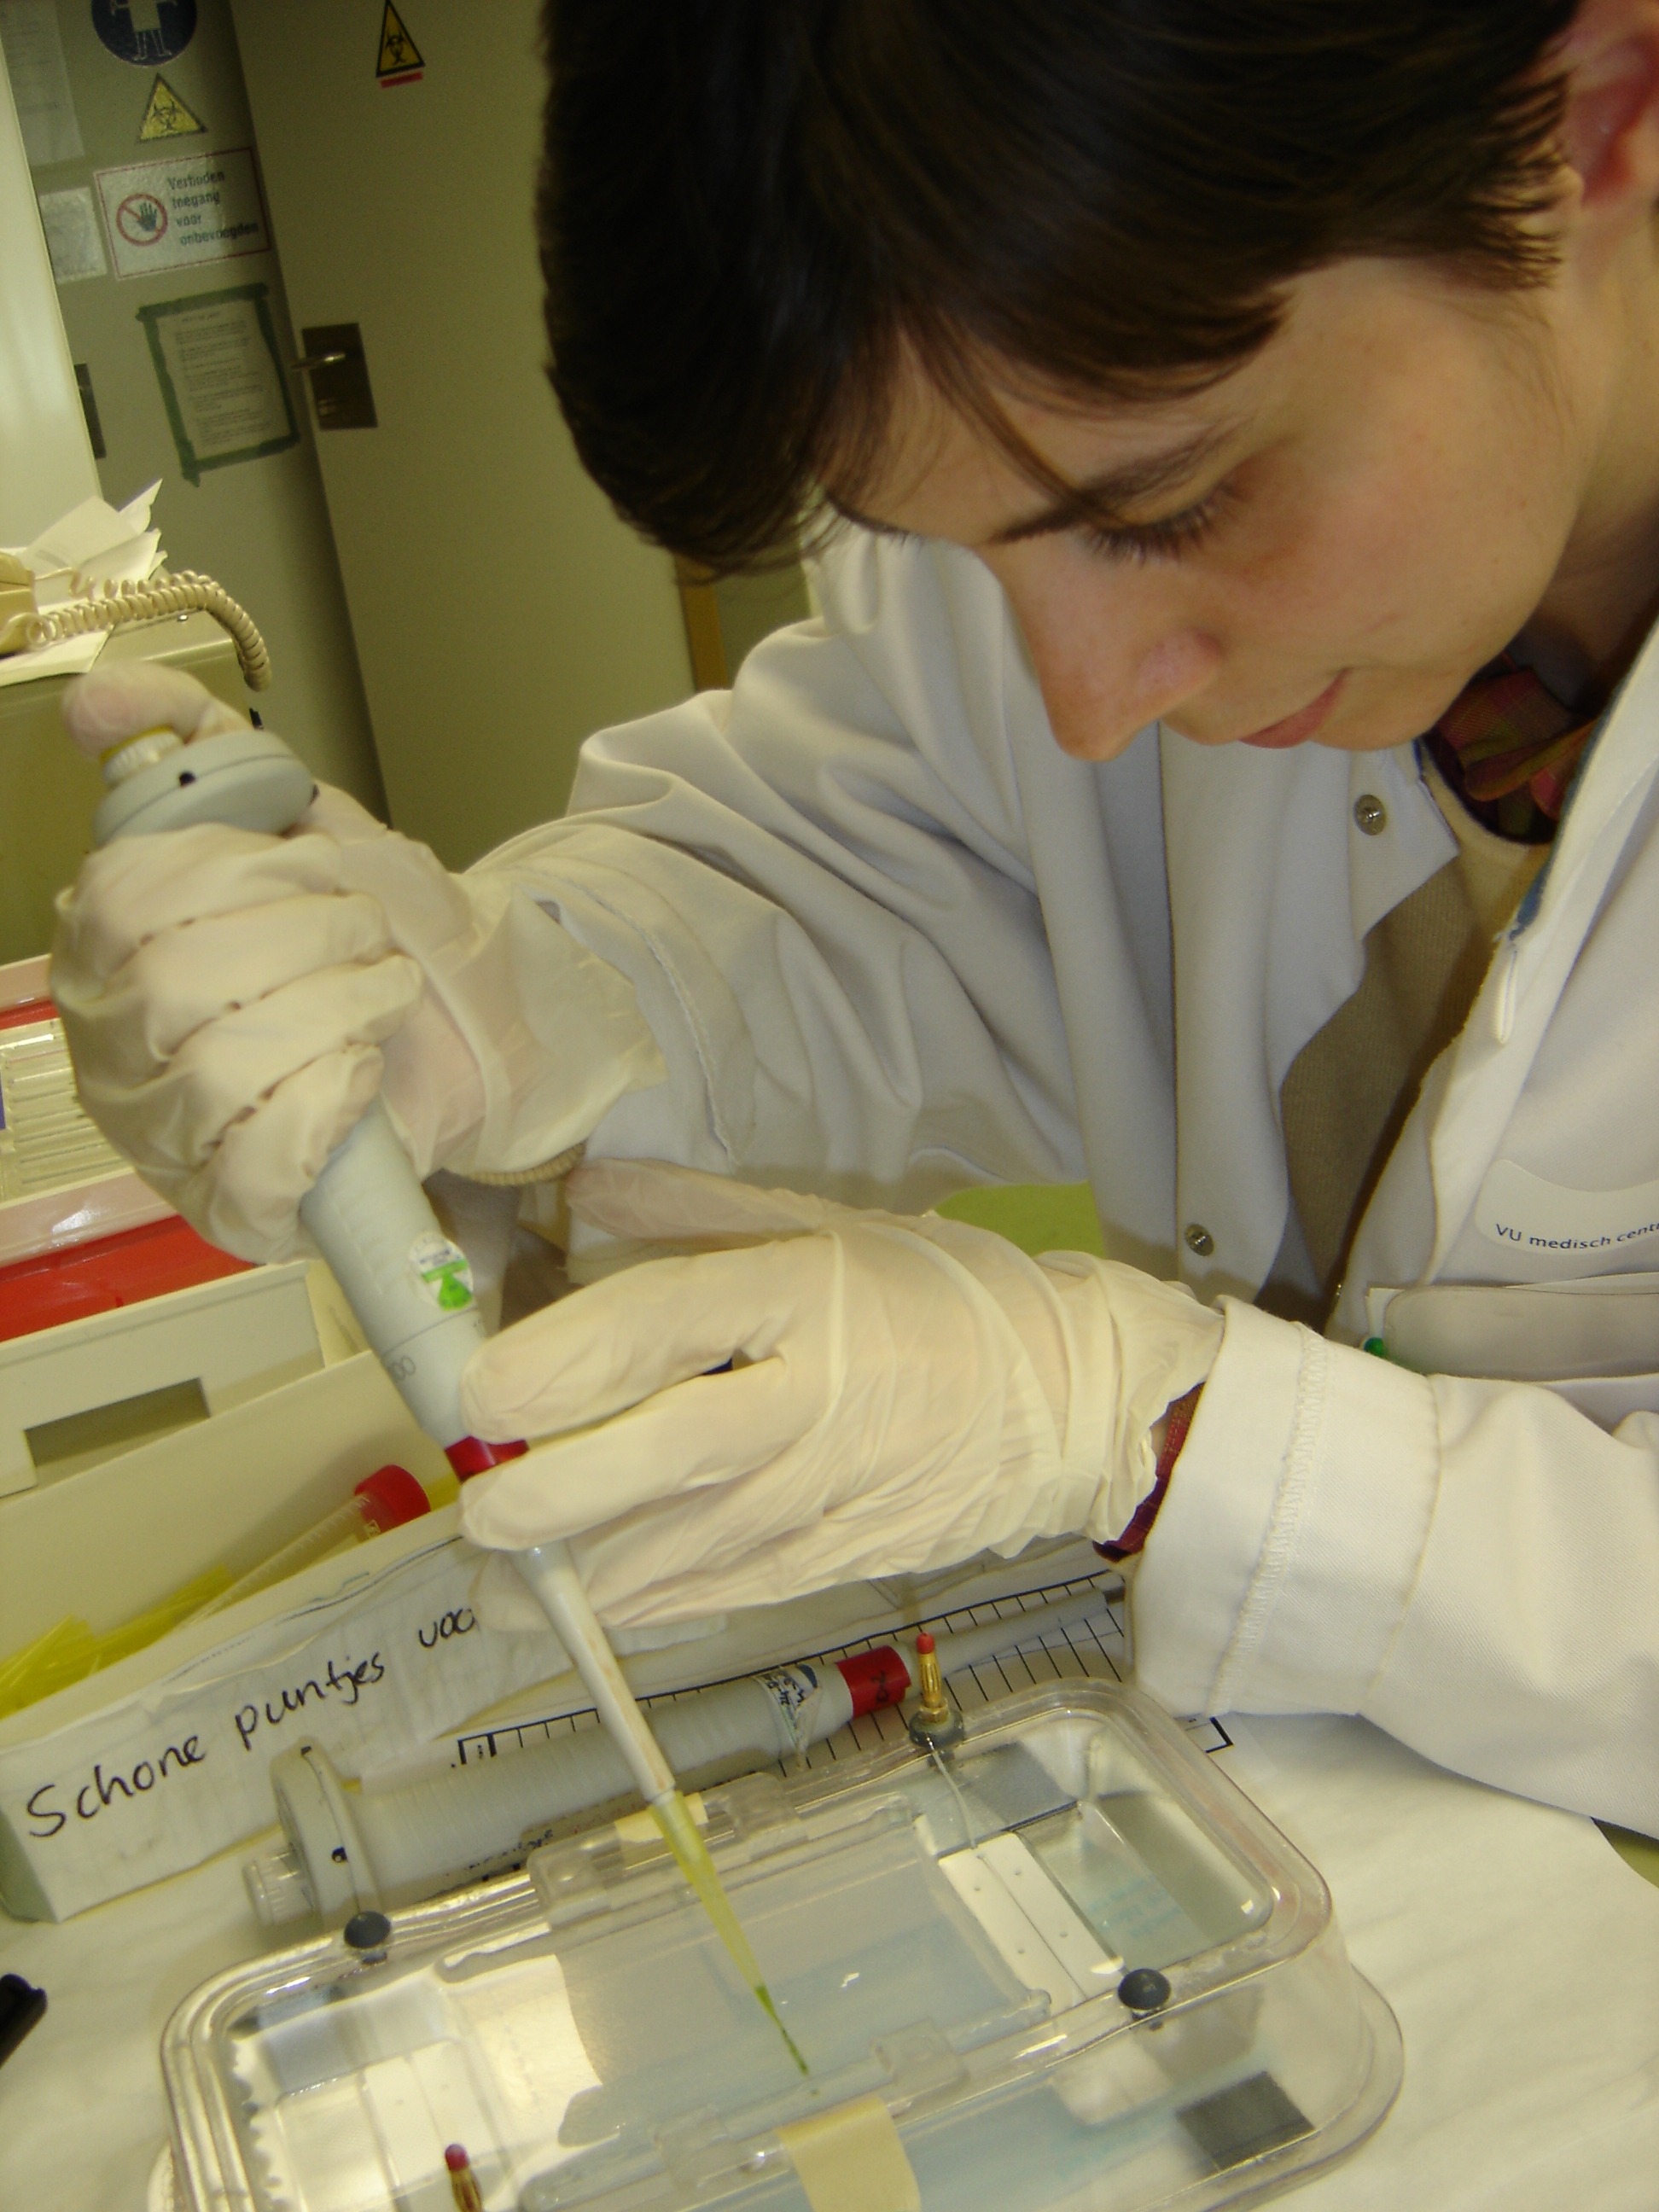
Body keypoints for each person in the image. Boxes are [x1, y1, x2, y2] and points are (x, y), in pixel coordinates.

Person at [50, 0, 1659, 1837]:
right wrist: (526, 998)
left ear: (1591, 125)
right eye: (972, 550)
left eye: (1181, 503)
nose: (1088, 702)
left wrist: (1159, 1431)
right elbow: (876, 862)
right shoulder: (1089, 464)